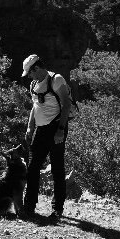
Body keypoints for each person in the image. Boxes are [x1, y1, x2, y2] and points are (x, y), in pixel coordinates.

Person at [21, 54, 71, 224]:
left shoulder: (56, 80)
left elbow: (66, 104)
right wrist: (30, 126)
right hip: (41, 130)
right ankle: (29, 205)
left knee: (57, 169)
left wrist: (61, 130)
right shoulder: (33, 84)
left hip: (56, 128)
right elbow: (34, 107)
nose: (29, 76)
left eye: (29, 72)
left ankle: (57, 209)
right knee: (33, 166)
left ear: (36, 68)